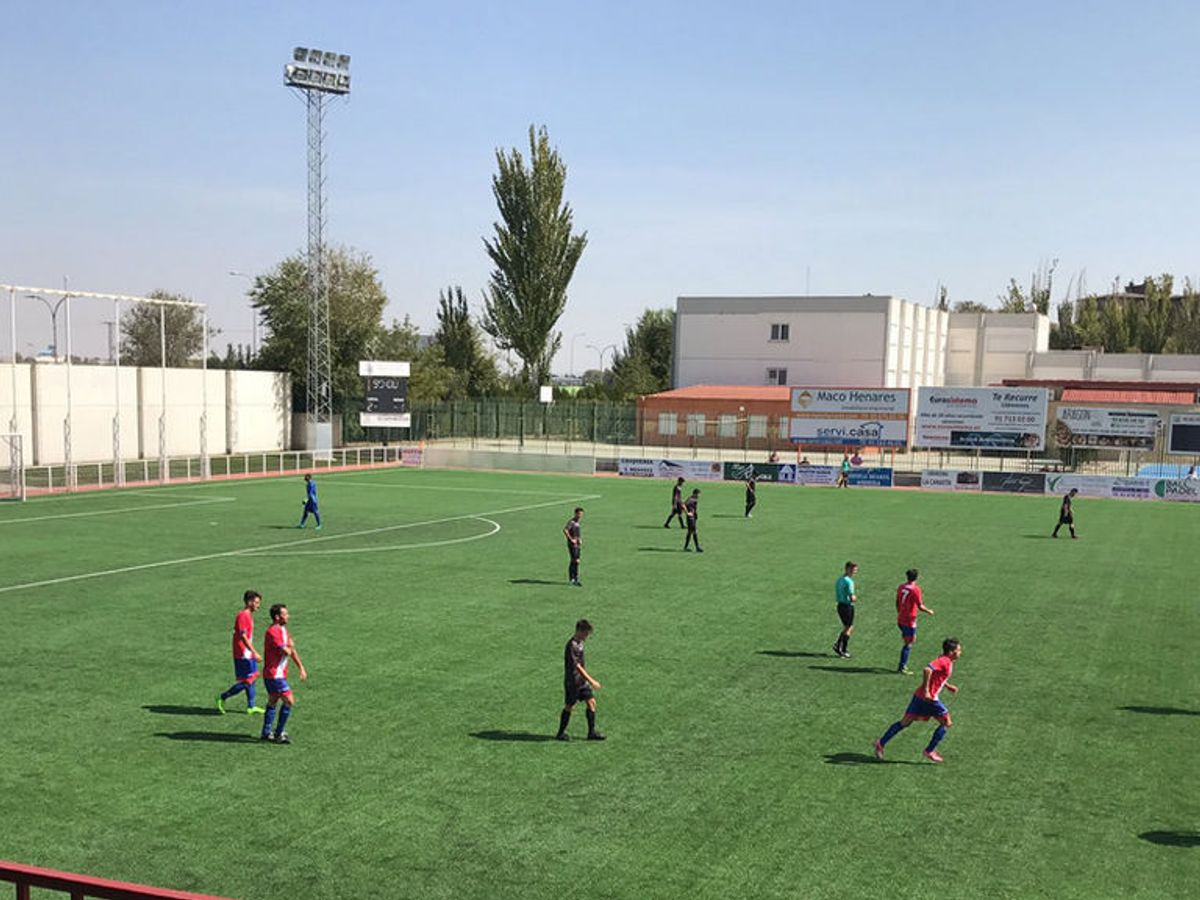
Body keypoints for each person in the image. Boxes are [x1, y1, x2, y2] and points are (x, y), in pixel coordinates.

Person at [874, 638, 962, 764]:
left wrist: (947, 685)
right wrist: (927, 690)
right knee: (946, 722)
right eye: (958, 650)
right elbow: (927, 670)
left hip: (919, 697)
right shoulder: (944, 661)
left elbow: (938, 675)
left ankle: (880, 743)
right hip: (930, 699)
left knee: (904, 723)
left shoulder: (944, 659)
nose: (960, 652)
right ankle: (930, 750)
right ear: (951, 652)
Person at [260, 604, 308, 744]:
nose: (288, 616)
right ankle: (279, 733)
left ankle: (266, 732)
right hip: (274, 674)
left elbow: (291, 650)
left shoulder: (283, 630)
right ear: (277, 617)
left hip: (275, 674)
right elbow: (286, 651)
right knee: (289, 701)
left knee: (273, 700)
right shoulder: (273, 632)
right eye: (285, 614)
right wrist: (290, 646)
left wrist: (301, 667)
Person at [216, 590, 265, 715]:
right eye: (256, 602)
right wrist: (254, 652)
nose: (258, 605)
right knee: (248, 679)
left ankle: (251, 706)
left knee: (252, 677)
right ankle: (222, 697)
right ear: (249, 602)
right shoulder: (243, 615)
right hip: (243, 653)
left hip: (246, 653)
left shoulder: (248, 615)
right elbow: (243, 636)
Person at [556, 618, 605, 741]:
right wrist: (592, 680)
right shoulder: (571, 645)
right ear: (580, 631)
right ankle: (560, 733)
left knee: (591, 702)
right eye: (586, 633)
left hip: (582, 682)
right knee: (569, 706)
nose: (587, 636)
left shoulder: (580, 643)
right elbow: (577, 666)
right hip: (573, 682)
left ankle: (591, 732)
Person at [895, 569, 934, 674]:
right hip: (909, 620)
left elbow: (897, 602)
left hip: (901, 618)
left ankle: (902, 665)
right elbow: (920, 606)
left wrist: (900, 612)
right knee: (909, 643)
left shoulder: (901, 587)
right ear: (916, 577)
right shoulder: (915, 589)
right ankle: (902, 667)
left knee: (910, 640)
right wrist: (929, 611)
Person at [833, 561, 858, 658]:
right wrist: (855, 598)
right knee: (848, 627)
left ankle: (838, 646)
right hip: (847, 606)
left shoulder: (839, 579)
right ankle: (842, 648)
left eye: (855, 570)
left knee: (847, 627)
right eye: (853, 570)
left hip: (840, 605)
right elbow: (852, 597)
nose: (854, 572)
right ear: (847, 569)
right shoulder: (849, 581)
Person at [564, 507, 584, 587]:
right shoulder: (571, 522)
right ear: (575, 513)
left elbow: (577, 533)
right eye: (579, 514)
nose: (580, 516)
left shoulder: (577, 523)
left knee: (577, 561)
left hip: (577, 544)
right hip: (572, 545)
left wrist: (579, 539)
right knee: (574, 560)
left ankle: (575, 578)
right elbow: (565, 530)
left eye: (581, 514)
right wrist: (571, 539)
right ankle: (572, 579)